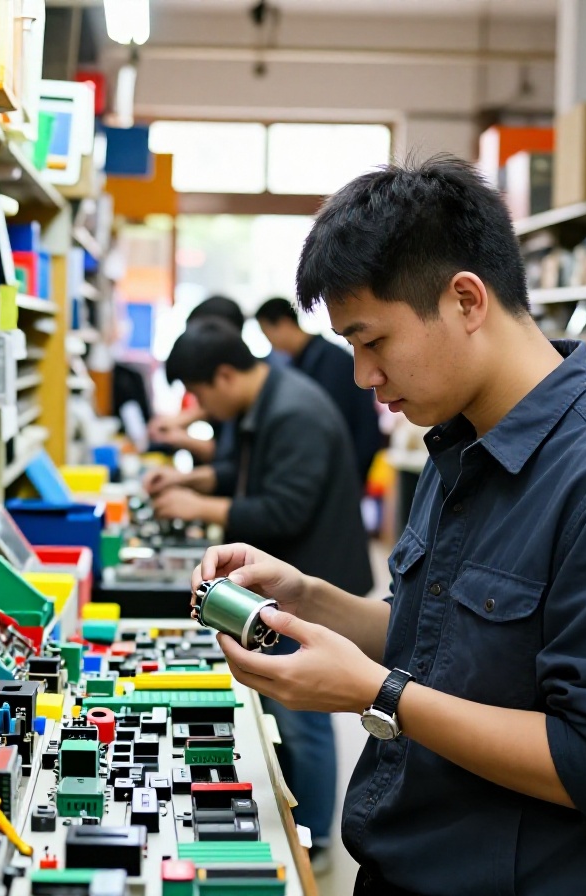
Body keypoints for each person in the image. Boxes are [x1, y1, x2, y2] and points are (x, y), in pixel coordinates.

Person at [194, 156, 586, 896]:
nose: (362, 376)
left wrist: (376, 695)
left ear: (466, 300)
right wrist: (305, 596)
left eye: (373, 341)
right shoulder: (460, 445)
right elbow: (435, 640)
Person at [145, 318, 372, 867]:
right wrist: (193, 482)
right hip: (288, 577)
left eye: (199, 393)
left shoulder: (294, 412)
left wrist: (199, 507)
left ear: (225, 375)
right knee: (286, 706)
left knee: (305, 715)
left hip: (312, 579)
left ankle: (314, 838)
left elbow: (284, 508)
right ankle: (300, 812)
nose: (198, 405)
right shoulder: (266, 401)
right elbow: (245, 476)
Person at [255, 297, 383, 479]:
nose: (270, 342)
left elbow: (347, 425)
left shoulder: (331, 361)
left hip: (341, 473)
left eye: (266, 333)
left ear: (283, 324)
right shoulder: (301, 362)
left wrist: (350, 476)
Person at [147, 295, 249, 463]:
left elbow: (231, 463)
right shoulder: (239, 380)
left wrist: (180, 438)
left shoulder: (245, 393)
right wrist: (180, 420)